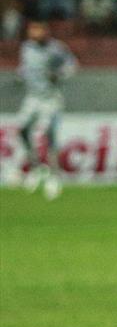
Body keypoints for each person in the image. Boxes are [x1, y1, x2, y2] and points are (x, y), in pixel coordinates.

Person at [16, 19, 78, 201]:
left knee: (48, 133)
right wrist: (21, 75)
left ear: (45, 31)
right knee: (22, 129)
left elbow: (72, 64)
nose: (34, 34)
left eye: (37, 30)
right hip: (32, 97)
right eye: (32, 31)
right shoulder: (26, 48)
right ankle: (35, 167)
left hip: (50, 98)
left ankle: (54, 175)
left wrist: (59, 74)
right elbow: (25, 68)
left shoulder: (55, 48)